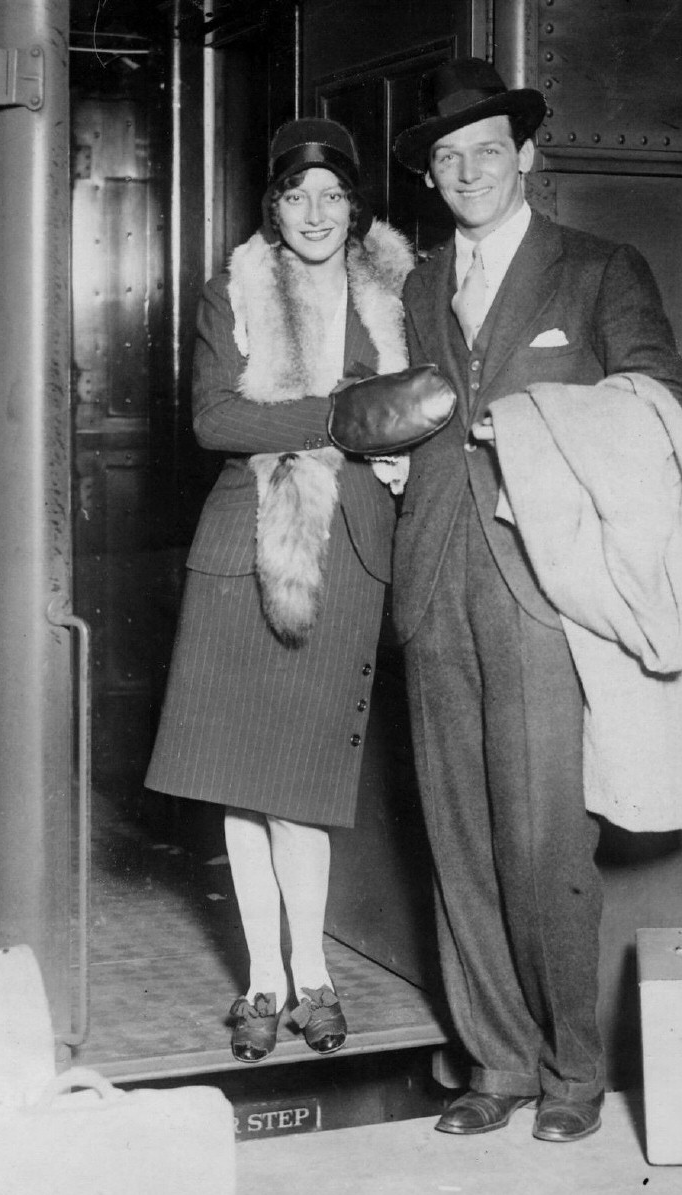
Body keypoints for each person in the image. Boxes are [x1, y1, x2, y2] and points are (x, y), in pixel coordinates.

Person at [391, 58, 682, 1142]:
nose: (467, 170)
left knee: (541, 843)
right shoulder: (418, 286)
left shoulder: (597, 268)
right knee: (457, 839)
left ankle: (572, 1073)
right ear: (431, 178)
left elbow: (662, 409)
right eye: (446, 157)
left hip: (539, 592)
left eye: (486, 149)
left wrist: (531, 437)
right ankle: (494, 1062)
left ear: (524, 155)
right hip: (430, 582)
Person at [146, 118, 413, 1063]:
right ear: (274, 205)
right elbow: (217, 420)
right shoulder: (236, 287)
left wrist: (337, 424)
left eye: (332, 195)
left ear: (354, 205)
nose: (314, 213)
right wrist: (346, 414)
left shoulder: (394, 293)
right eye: (295, 195)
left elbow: (423, 409)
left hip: (344, 549)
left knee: (300, 786)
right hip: (242, 548)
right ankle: (265, 981)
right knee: (240, 783)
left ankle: (315, 974)